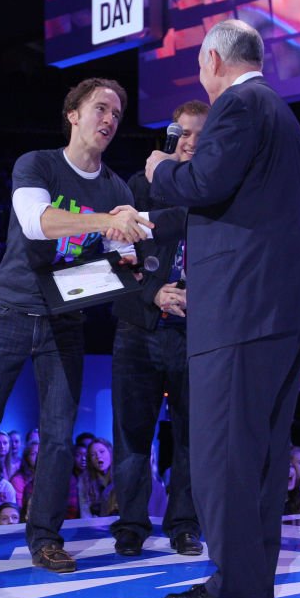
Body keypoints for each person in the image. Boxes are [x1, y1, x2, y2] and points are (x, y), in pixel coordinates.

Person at [0, 77, 151, 573]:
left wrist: (132, 252)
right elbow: (38, 223)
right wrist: (105, 223)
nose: (110, 120)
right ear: (73, 114)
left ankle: (46, 538)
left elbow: (121, 257)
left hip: (65, 324)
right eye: (100, 108)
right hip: (9, 314)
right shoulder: (37, 164)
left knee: (57, 436)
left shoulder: (116, 188)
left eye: (117, 114)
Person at [145, 20, 300, 598]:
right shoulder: (280, 111)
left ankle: (234, 585)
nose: (200, 75)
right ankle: (246, 584)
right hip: (281, 307)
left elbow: (203, 181)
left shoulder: (239, 104)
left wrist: (159, 170)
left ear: (215, 58)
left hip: (241, 308)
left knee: (225, 453)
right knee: (262, 456)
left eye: (199, 65)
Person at [109, 100, 209, 558]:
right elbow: (111, 261)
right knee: (132, 435)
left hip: (196, 333)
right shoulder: (138, 187)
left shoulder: (217, 192)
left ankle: (184, 525)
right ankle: (131, 524)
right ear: (169, 138)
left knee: (190, 437)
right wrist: (153, 293)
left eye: (198, 135)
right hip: (139, 329)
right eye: (182, 133)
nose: (189, 142)